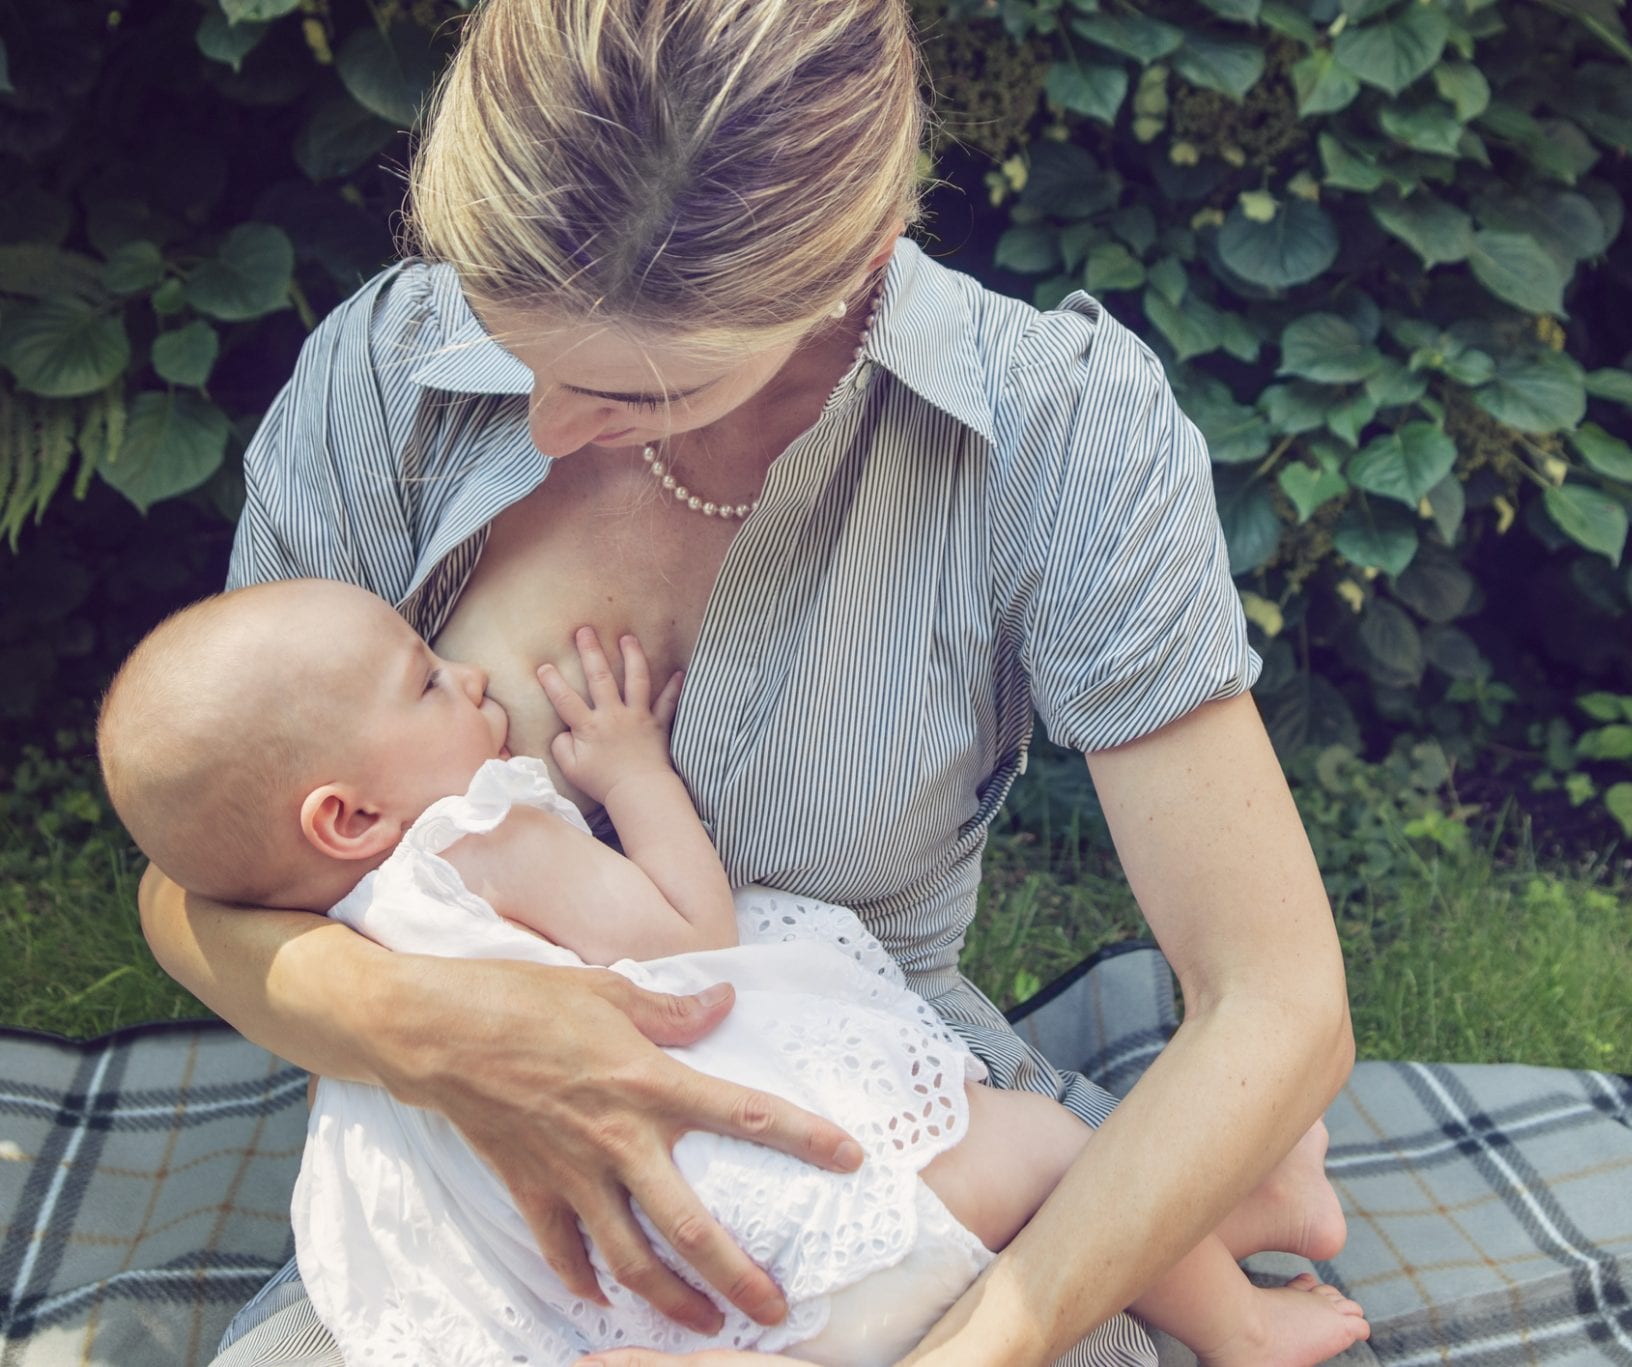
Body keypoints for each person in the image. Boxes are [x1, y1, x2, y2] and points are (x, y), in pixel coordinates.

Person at [138, 2, 1357, 1363]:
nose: (541, 423)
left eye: (639, 392)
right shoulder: (387, 367)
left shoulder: (1050, 431)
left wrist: (971, 1350)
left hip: (859, 1129)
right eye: (509, 335)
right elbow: (200, 878)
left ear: (858, 254)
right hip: (482, 1200)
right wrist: (439, 1028)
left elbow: (1276, 999)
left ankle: (1210, 1187)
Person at [99, 580, 1370, 1366]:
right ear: (346, 816)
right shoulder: (472, 838)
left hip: (608, 1301)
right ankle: (1244, 1326)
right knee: (1038, 1149)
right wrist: (631, 771)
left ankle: (1256, 1206)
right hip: (782, 1222)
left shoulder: (322, 915)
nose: (468, 674)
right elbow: (679, 929)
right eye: (427, 682)